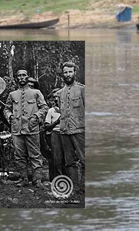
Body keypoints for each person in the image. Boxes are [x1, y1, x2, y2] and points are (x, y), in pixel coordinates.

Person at [4, 69, 48, 188]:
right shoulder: (12, 94)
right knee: (19, 155)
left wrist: (36, 117)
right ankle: (24, 179)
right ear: (16, 78)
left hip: (32, 128)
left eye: (24, 75)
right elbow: (6, 109)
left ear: (27, 77)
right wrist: (10, 116)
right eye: (19, 76)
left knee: (35, 154)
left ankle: (37, 179)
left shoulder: (36, 92)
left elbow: (44, 107)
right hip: (17, 129)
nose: (21, 78)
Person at [57, 62, 84, 197]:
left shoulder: (82, 89)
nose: (68, 75)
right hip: (64, 131)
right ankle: (74, 189)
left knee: (84, 159)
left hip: (79, 130)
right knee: (69, 161)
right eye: (65, 72)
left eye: (70, 72)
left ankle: (85, 187)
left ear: (75, 72)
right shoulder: (60, 93)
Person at [44, 90, 64, 180]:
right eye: (54, 97)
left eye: (58, 96)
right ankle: (58, 179)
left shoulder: (68, 109)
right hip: (55, 134)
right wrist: (57, 122)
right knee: (57, 157)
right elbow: (46, 126)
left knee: (68, 157)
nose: (56, 99)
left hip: (67, 133)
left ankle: (68, 178)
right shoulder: (51, 111)